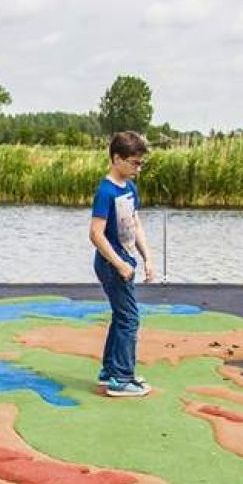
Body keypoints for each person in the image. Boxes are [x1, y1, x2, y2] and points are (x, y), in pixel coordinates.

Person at [89, 130, 158, 397]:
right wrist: (119, 264)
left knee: (122, 316)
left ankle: (110, 371)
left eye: (141, 163)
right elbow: (95, 233)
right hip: (111, 264)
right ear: (117, 159)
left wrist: (147, 257)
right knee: (130, 318)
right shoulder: (105, 191)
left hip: (126, 261)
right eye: (134, 162)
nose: (138, 168)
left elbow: (134, 224)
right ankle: (121, 378)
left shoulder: (129, 188)